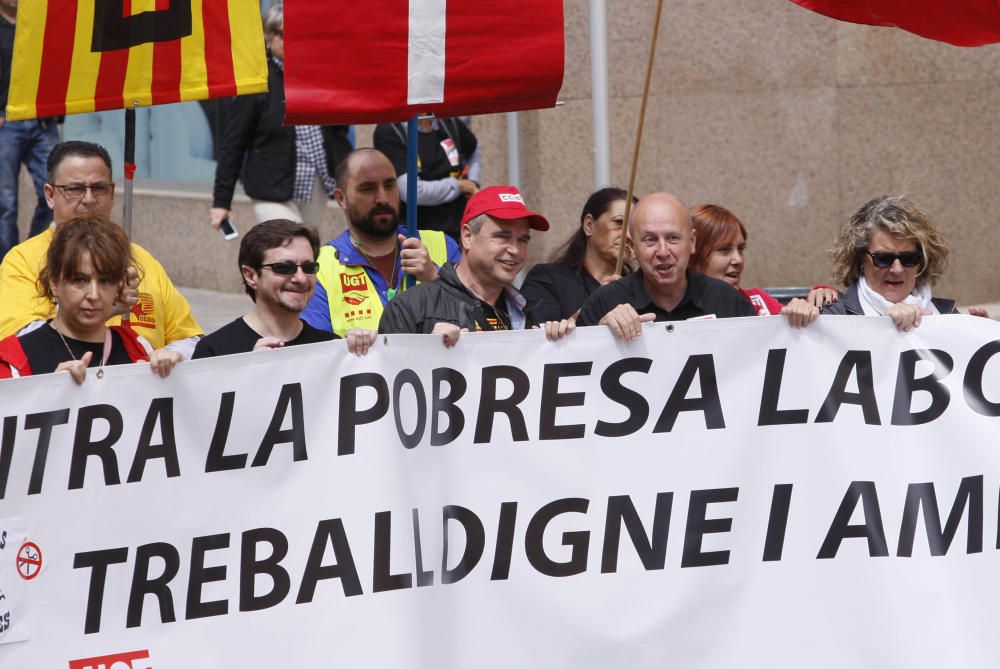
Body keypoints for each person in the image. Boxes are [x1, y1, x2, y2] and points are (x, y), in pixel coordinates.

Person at [0, 140, 204, 355]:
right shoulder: (23, 260)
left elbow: (193, 340)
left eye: (98, 188)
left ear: (112, 193)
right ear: (50, 195)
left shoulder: (141, 259)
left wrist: (169, 356)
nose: (88, 199)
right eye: (75, 189)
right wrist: (103, 311)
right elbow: (18, 344)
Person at [210, 4, 352, 232]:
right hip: (270, 186)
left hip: (314, 182)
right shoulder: (258, 83)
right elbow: (233, 144)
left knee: (306, 248)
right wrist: (221, 202)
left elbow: (338, 129)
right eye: (285, 34)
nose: (292, 41)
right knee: (290, 238)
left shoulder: (316, 77)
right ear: (268, 38)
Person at [302, 148, 461, 337]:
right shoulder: (321, 266)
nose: (383, 198)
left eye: (390, 185)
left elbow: (480, 315)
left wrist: (435, 277)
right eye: (368, 188)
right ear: (341, 198)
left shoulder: (442, 245)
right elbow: (315, 349)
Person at [0, 218, 181, 383]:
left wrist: (176, 375)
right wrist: (49, 395)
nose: (94, 294)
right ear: (54, 282)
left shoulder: (137, 347)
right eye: (80, 280)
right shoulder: (14, 358)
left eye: (105, 281)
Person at [378, 185, 556, 344]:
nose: (515, 250)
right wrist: (428, 352)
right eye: (502, 236)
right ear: (467, 237)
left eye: (523, 240)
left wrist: (564, 343)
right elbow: (389, 376)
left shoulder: (529, 314)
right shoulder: (409, 307)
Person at [782, 195, 989, 330]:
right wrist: (796, 323)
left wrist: (982, 344)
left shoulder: (948, 316)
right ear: (860, 259)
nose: (897, 269)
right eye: (883, 259)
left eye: (909, 259)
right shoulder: (829, 317)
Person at [576, 193, 756, 340]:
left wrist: (785, 324)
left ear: (692, 242)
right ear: (632, 247)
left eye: (673, 238)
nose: (663, 251)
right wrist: (599, 336)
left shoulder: (727, 301)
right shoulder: (606, 302)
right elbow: (574, 371)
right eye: (650, 240)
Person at [194, 220, 376, 358]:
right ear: (250, 276)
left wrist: (367, 352)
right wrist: (247, 371)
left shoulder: (331, 347)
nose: (300, 278)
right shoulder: (214, 351)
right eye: (284, 268)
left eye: (309, 267)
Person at [521, 187, 636, 325]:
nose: (628, 235)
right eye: (619, 222)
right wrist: (595, 306)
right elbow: (540, 340)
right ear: (589, 225)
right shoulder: (548, 279)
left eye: (634, 228)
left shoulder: (641, 288)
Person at [0, 0, 60, 261]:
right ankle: (6, 268)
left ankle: (31, 258)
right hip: (6, 122)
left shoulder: (38, 24)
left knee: (57, 193)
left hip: (42, 119)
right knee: (5, 204)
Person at [373, 114, 481, 240]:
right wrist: (458, 185)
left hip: (457, 229)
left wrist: (473, 180)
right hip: (418, 233)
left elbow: (473, 149)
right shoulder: (391, 130)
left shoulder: (446, 121)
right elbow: (411, 192)